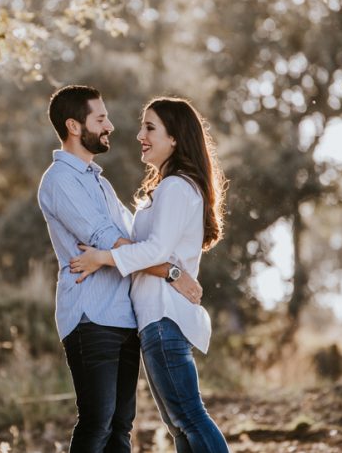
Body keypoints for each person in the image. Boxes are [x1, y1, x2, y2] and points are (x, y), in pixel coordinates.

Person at [37, 86, 204, 453]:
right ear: (74, 126)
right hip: (90, 316)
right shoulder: (60, 180)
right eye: (100, 118)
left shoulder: (100, 182)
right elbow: (109, 240)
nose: (110, 125)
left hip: (123, 318)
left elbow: (135, 240)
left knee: (120, 427)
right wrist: (172, 273)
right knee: (97, 422)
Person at [70, 97, 231, 453]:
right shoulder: (169, 187)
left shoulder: (175, 187)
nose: (140, 135)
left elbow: (155, 250)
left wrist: (103, 257)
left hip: (163, 317)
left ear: (174, 138)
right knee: (180, 425)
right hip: (155, 319)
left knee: (189, 417)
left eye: (150, 127)